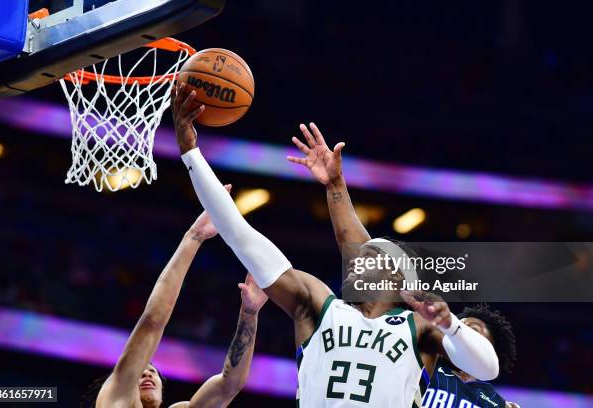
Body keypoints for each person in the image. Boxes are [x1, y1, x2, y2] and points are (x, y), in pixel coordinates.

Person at [173, 86, 499, 407]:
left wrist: (450, 324)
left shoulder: (418, 327)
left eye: (370, 256)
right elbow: (239, 233)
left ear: (397, 278)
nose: (356, 259)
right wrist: (190, 152)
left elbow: (487, 368)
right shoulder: (318, 303)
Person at [84, 203, 269, 408]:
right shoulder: (114, 398)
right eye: (142, 372)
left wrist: (250, 313)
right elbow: (152, 322)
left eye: (153, 372)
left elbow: (229, 386)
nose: (148, 373)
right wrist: (194, 236)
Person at [421, 304, 519, 408]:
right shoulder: (426, 360)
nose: (458, 334)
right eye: (459, 325)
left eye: (473, 330)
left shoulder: (493, 400)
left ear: (489, 351)